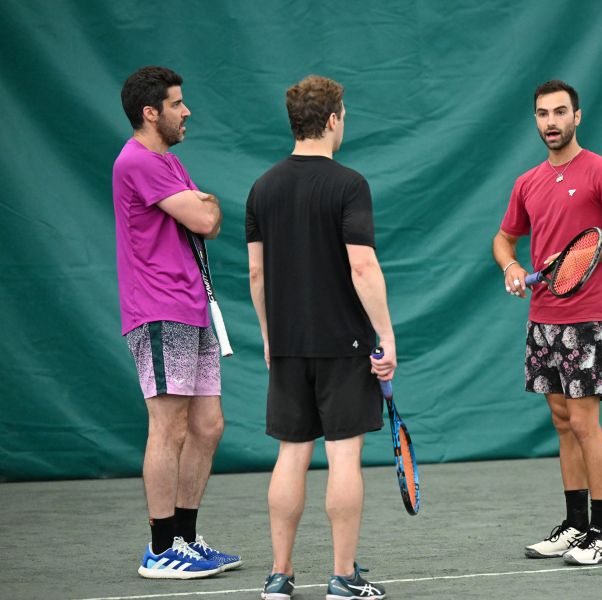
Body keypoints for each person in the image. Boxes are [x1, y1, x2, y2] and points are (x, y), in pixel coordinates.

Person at [247, 75, 395, 600]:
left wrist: (270, 335)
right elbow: (363, 266)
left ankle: (279, 576)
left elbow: (256, 274)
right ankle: (343, 578)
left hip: (288, 346)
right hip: (344, 346)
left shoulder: (262, 188)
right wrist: (386, 334)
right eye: (344, 115)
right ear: (332, 120)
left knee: (290, 454)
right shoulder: (349, 184)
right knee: (343, 457)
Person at [492, 79, 602, 566]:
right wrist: (511, 266)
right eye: (543, 114)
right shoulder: (527, 182)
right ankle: (576, 525)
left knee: (584, 422)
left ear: (577, 117)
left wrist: (586, 254)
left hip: (586, 317)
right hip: (542, 316)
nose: (551, 122)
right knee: (562, 422)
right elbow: (503, 238)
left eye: (560, 112)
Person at [113, 65, 241, 579]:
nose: (186, 111)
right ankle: (160, 548)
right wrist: (203, 204)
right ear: (151, 112)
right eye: (177, 104)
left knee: (207, 426)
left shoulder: (169, 162)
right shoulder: (138, 161)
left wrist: (203, 206)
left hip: (193, 308)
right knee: (168, 426)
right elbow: (207, 217)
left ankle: (185, 539)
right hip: (159, 311)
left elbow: (206, 221)